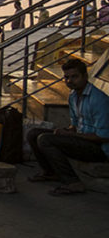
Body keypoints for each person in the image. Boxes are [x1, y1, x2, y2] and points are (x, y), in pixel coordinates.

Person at [26, 58, 109, 195]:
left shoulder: (99, 100)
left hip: (99, 149)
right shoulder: (73, 96)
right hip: (81, 140)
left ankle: (73, 182)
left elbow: (104, 136)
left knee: (45, 140)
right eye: (67, 77)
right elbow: (75, 125)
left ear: (85, 76)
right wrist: (67, 131)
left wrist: (72, 135)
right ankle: (50, 172)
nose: (70, 81)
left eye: (74, 77)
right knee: (33, 133)